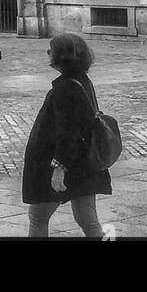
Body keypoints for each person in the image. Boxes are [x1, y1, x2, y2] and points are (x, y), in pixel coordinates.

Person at [21, 32, 110, 238]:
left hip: (59, 164)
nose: (48, 53)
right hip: (82, 164)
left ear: (62, 56)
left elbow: (67, 131)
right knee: (87, 218)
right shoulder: (82, 81)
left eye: (51, 50)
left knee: (38, 217)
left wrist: (59, 168)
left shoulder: (66, 88)